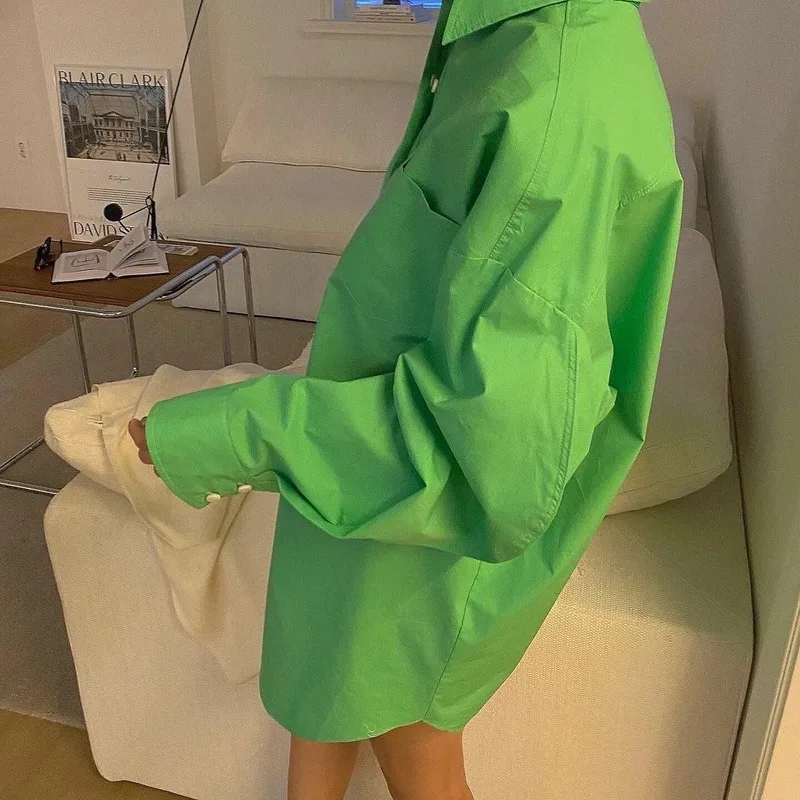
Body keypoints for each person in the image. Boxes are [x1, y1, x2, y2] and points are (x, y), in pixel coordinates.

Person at [129, 0, 682, 796]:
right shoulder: (500, 38)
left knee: (418, 758)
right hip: (362, 449)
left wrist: (225, 431)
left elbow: (483, 459)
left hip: (419, 507)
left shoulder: (557, 95)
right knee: (326, 685)